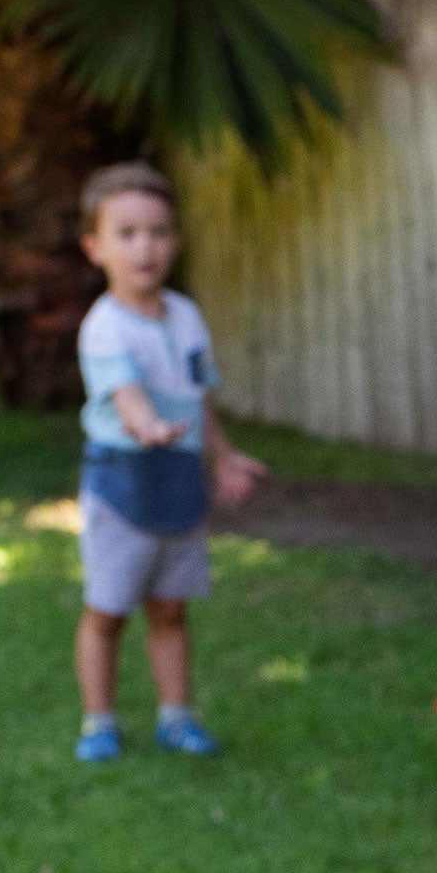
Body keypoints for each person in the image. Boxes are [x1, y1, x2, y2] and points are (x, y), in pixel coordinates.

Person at [70, 163, 264, 762]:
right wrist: (147, 426)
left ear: (175, 243)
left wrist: (224, 457)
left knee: (172, 610)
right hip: (123, 487)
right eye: (125, 234)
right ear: (94, 248)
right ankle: (98, 723)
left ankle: (175, 718)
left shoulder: (185, 316)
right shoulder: (103, 328)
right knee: (107, 613)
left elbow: (196, 397)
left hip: (178, 485)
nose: (144, 248)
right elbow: (128, 396)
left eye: (157, 233)